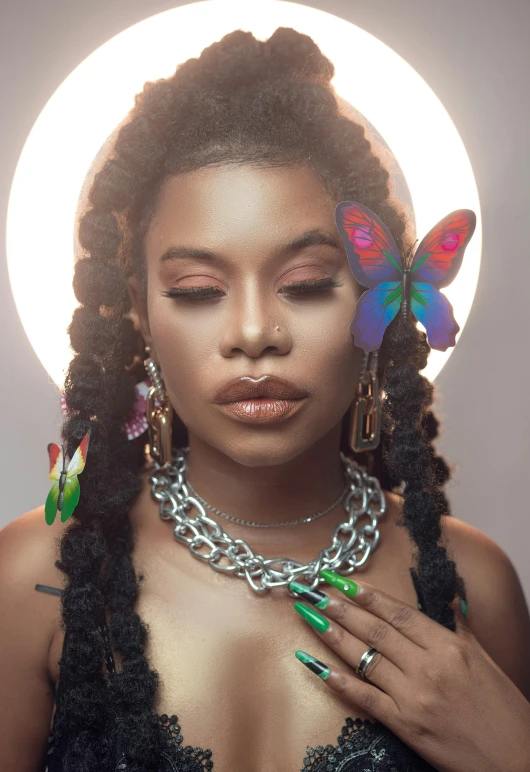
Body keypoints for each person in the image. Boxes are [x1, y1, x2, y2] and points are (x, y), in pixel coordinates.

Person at [1, 26, 530, 772]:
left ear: (376, 302)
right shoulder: (38, 575)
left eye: (308, 283)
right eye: (198, 291)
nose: (254, 333)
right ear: (141, 314)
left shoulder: (474, 585)